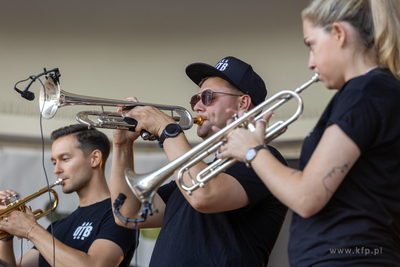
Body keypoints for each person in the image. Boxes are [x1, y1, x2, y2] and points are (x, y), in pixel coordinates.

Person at [217, 1, 400, 266]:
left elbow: (306, 197)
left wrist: (252, 150)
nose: (311, 63)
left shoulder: (364, 92)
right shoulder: (376, 91)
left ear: (339, 34)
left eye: (311, 44)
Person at [110, 56, 288, 266]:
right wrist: (122, 146)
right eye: (196, 99)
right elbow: (128, 213)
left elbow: (204, 195)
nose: (197, 107)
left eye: (208, 97)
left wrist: (169, 131)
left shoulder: (262, 159)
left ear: (243, 103)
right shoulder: (192, 175)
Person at [0, 124, 137, 267]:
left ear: (95, 158)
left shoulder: (120, 215)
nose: (56, 170)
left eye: (65, 159)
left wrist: (31, 229)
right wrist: (6, 232)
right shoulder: (56, 227)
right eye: (54, 162)